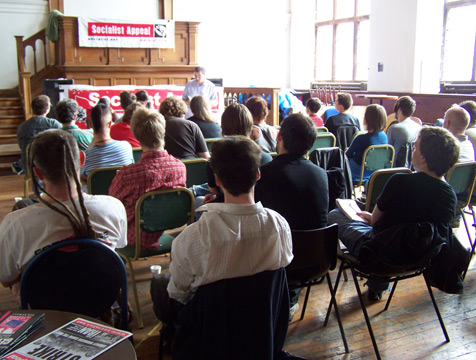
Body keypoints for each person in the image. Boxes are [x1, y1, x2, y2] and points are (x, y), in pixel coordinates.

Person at [150, 136, 293, 354]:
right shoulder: (280, 226)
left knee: (160, 284)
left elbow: (179, 297)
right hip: (263, 338)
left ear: (216, 179)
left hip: (208, 342)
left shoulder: (192, 239)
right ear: (257, 174)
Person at [328, 126, 459, 300]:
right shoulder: (450, 196)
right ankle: (378, 286)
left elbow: (374, 220)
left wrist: (369, 218)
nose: (413, 150)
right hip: (421, 258)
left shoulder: (400, 181)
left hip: (378, 255)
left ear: (423, 157)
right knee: (392, 237)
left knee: (334, 215)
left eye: (415, 147)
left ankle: (324, 267)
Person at [0, 129, 127, 302]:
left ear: (38, 173)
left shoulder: (15, 225)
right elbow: (119, 246)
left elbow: (6, 279)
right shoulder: (113, 207)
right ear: (82, 159)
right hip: (101, 300)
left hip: (47, 310)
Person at [255, 113, 329, 317]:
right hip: (316, 260)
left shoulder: (265, 173)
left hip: (277, 260)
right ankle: (289, 299)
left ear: (279, 136)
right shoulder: (322, 174)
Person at [109, 108, 186, 250]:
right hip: (167, 229)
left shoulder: (127, 175)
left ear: (137, 136)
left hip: (133, 237)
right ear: (162, 131)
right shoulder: (180, 167)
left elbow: (111, 205)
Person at [203, 103, 273, 204]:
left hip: (225, 208)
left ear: (223, 126)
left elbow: (214, 189)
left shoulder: (215, 160)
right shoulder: (267, 159)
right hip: (260, 206)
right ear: (250, 125)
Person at [80, 103, 134, 180]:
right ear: (109, 124)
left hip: (95, 192)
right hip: (122, 191)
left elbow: (81, 178)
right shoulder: (126, 147)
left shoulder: (86, 156)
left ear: (90, 124)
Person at [16, 95, 61, 171]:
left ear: (32, 109)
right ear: (47, 109)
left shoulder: (22, 126)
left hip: (28, 165)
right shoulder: (54, 124)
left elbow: (21, 146)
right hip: (50, 166)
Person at [346, 104, 388, 182]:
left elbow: (347, 155)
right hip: (376, 172)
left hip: (358, 173)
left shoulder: (361, 138)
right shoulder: (384, 136)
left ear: (367, 119)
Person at [386, 96, 421, 167]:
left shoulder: (394, 128)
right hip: (412, 169)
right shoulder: (419, 128)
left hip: (393, 171)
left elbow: (387, 153)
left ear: (399, 110)